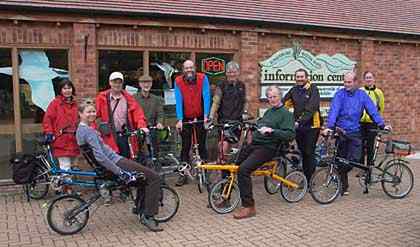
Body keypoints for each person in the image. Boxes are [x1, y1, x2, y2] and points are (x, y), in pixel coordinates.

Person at [76, 98, 163, 232]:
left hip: (115, 161)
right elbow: (101, 157)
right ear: (80, 114)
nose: (92, 114)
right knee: (154, 178)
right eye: (88, 112)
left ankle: (140, 208)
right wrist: (120, 172)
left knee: (141, 177)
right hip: (116, 163)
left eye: (93, 111)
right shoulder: (89, 132)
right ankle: (148, 216)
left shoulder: (82, 130)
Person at [233, 86, 295, 220]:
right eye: (270, 97)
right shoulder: (269, 112)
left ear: (280, 96)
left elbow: (290, 134)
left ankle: (249, 206)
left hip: (269, 147)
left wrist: (272, 131)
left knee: (244, 170)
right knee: (232, 164)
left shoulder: (286, 114)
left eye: (275, 96)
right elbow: (260, 123)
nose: (272, 99)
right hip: (255, 144)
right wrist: (254, 125)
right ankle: (225, 196)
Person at [324, 72, 390, 196]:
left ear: (355, 82)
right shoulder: (339, 95)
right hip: (341, 132)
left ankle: (341, 176)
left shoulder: (362, 95)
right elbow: (334, 111)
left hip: (355, 132)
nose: (346, 85)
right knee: (340, 159)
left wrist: (381, 125)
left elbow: (372, 110)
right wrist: (330, 127)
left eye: (349, 82)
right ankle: (343, 186)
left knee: (354, 159)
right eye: (345, 82)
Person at [174, 60, 211, 186]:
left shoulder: (203, 78)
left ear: (194, 68)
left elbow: (206, 96)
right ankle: (183, 174)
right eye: (186, 68)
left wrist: (206, 115)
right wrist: (179, 119)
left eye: (191, 67)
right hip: (186, 117)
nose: (189, 70)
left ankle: (205, 173)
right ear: (183, 70)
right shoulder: (178, 81)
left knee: (201, 146)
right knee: (185, 147)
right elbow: (178, 100)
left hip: (201, 116)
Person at [96, 72, 148, 159]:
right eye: (114, 82)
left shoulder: (128, 98)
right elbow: (94, 116)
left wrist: (142, 126)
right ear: (110, 83)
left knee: (126, 160)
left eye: (119, 82)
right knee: (111, 161)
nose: (117, 84)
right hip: (108, 136)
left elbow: (138, 115)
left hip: (125, 136)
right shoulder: (102, 98)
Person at [283, 68, 321, 182]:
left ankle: (309, 181)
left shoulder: (313, 89)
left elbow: (311, 108)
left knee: (309, 152)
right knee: (303, 152)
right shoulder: (294, 90)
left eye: (301, 77)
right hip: (299, 127)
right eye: (298, 77)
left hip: (312, 126)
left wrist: (299, 121)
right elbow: (283, 103)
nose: (299, 79)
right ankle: (305, 178)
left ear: (306, 77)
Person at [42, 79, 79, 193]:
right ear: (60, 90)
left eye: (69, 88)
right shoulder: (55, 103)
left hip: (74, 139)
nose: (67, 90)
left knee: (72, 166)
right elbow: (48, 119)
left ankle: (62, 185)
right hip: (61, 139)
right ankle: (67, 189)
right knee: (65, 166)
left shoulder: (76, 104)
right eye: (64, 88)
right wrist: (49, 132)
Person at [210, 61, 248, 163]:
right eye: (229, 72)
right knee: (223, 145)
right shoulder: (221, 85)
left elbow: (244, 101)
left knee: (233, 147)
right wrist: (210, 116)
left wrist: (245, 113)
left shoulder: (241, 85)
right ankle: (221, 168)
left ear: (238, 72)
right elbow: (216, 102)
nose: (232, 74)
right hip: (224, 120)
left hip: (237, 121)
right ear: (226, 73)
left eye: (234, 72)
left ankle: (228, 171)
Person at [360, 71, 385, 167]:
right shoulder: (361, 91)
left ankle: (369, 166)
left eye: (370, 77)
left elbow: (381, 107)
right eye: (367, 77)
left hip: (372, 123)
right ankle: (361, 166)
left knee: (370, 145)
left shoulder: (379, 92)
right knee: (361, 145)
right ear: (364, 80)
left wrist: (377, 120)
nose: (368, 79)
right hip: (361, 122)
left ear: (374, 79)